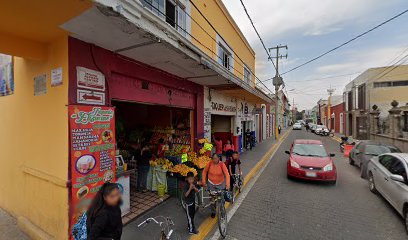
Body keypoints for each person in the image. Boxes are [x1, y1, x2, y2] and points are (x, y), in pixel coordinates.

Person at [202, 154, 230, 218]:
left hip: (220, 184)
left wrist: (227, 185)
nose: (214, 160)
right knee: (212, 199)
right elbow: (204, 172)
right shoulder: (209, 163)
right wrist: (204, 181)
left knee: (221, 199)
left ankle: (222, 211)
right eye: (213, 158)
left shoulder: (222, 164)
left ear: (218, 158)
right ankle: (213, 211)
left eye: (216, 158)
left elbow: (227, 175)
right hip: (211, 184)